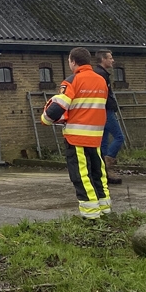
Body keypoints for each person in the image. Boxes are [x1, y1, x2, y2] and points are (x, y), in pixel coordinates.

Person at [42, 47, 110, 219]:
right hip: (96, 136)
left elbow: (59, 106)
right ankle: (105, 210)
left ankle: (91, 215)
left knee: (81, 176)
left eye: (69, 62)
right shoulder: (101, 80)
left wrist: (46, 119)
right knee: (98, 174)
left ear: (73, 61)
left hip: (77, 137)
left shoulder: (72, 81)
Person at [93, 49, 124, 185]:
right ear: (103, 60)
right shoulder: (101, 75)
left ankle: (104, 172)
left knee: (103, 141)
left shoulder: (100, 74)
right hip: (105, 110)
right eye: (110, 58)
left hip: (101, 111)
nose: (112, 60)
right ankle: (108, 160)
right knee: (119, 137)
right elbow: (103, 94)